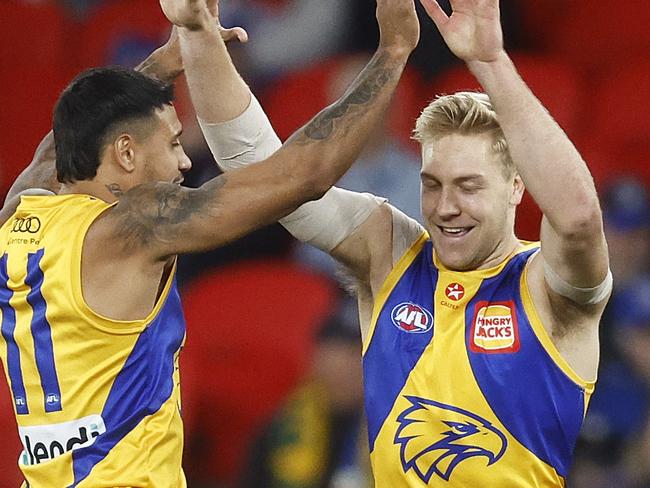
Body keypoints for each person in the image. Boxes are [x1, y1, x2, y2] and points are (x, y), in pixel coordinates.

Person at [0, 0, 419, 485]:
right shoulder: (134, 226)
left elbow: (63, 144)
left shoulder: (19, 212)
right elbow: (302, 176)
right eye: (174, 143)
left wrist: (168, 59)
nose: (183, 163)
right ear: (126, 152)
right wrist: (392, 52)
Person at [199, 0, 612, 486]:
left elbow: (580, 219)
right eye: (432, 184)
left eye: (469, 186)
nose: (445, 207)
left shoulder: (547, 285)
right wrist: (197, 36)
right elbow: (262, 176)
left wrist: (490, 62)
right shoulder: (390, 254)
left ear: (516, 188)